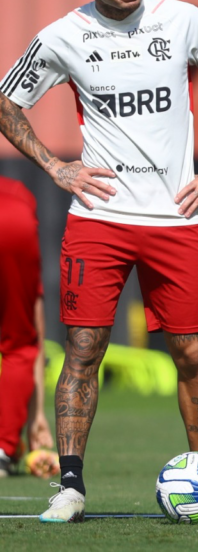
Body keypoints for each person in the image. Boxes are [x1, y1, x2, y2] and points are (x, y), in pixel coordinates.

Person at [0, 0, 198, 523]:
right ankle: (70, 487)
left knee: (192, 353)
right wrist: (56, 166)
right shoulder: (63, 36)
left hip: (177, 218)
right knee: (83, 350)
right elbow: (7, 102)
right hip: (99, 219)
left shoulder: (184, 20)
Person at [0, 176, 56, 478]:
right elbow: (34, 329)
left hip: (14, 216)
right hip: (14, 218)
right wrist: (37, 417)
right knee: (20, 345)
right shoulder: (18, 194)